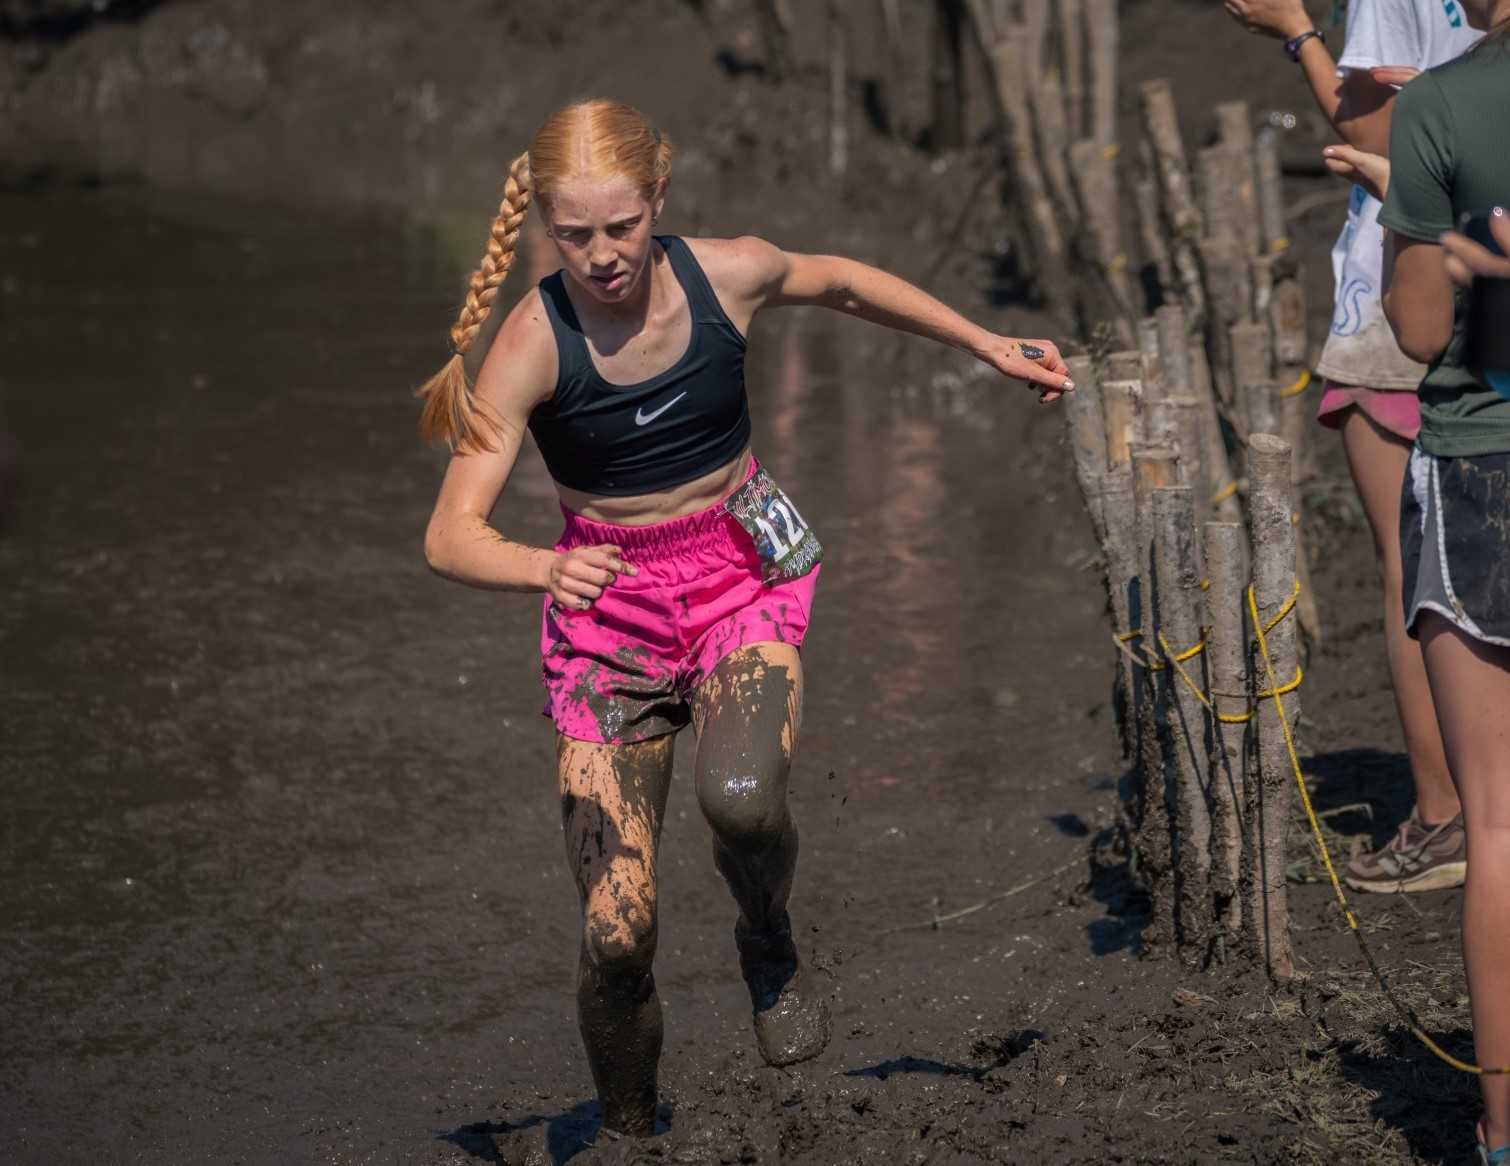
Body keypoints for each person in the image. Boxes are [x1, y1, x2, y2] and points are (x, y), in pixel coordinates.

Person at [415, 99, 1073, 1139]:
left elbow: (846, 282)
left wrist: (986, 342)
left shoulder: (731, 271)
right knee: (616, 932)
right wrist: (544, 564)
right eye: (575, 234)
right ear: (545, 222)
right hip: (608, 613)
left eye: (621, 228)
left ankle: (767, 939)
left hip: (738, 574)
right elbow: (451, 533)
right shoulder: (532, 341)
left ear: (658, 201)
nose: (602, 257)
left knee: (741, 796)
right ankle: (633, 1130)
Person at [1223, 0, 1479, 894]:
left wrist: (1296, 32)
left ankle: (1445, 816)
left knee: (1415, 568)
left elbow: (1375, 126)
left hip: (1406, 282)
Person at [1324, 15, 1510, 1160]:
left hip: (1481, 463)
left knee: (1494, 821)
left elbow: (1417, 327)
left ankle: (1501, 1131)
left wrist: (1430, 235)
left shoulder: (1444, 102)